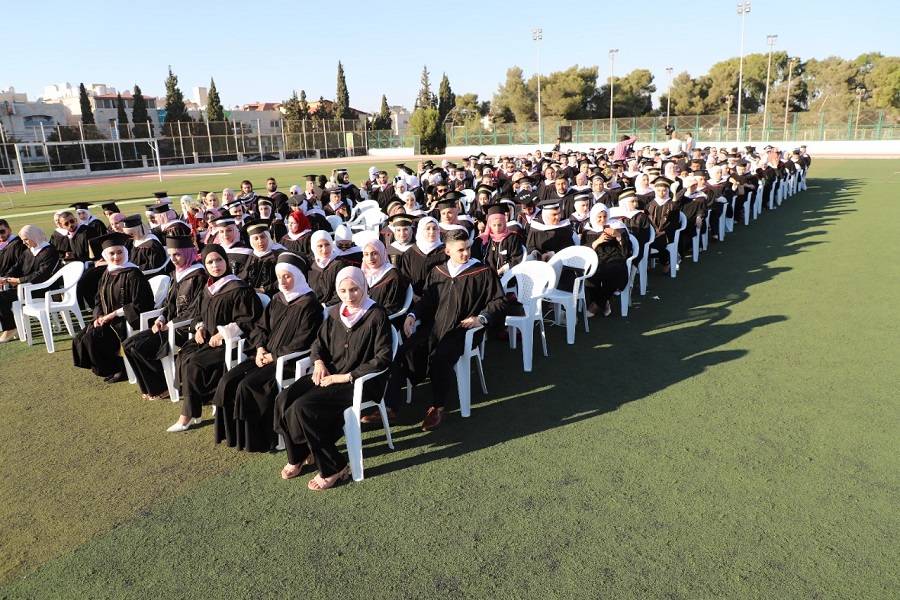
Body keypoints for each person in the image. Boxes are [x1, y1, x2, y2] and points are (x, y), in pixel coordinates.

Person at [274, 266, 392, 490]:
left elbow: (383, 358)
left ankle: (334, 467)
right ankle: (299, 454)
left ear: (364, 287)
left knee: (303, 407)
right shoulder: (336, 313)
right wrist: (318, 362)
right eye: (343, 290)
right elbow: (318, 344)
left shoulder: (376, 315)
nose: (349, 296)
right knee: (284, 399)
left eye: (354, 289)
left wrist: (345, 377)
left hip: (359, 382)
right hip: (330, 374)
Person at [386, 229, 510, 431]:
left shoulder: (482, 272)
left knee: (440, 358)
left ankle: (438, 407)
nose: (466, 253)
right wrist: (412, 315)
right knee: (403, 353)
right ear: (447, 251)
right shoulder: (438, 272)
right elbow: (427, 300)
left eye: (468, 248)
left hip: (462, 329)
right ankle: (391, 407)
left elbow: (499, 301)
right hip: (434, 327)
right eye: (461, 250)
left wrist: (481, 318)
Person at [213, 252, 324, 452]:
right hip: (264, 356)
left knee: (248, 385)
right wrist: (260, 348)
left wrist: (273, 356)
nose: (283, 281)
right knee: (228, 380)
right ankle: (235, 436)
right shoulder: (277, 299)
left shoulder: (310, 304)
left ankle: (259, 440)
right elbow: (260, 328)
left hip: (288, 362)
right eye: (279, 277)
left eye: (288, 276)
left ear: (299, 276)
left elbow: (304, 340)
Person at [167, 244, 263, 432]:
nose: (215, 265)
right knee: (185, 355)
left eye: (219, 260)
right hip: (208, 339)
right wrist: (200, 327)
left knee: (194, 363)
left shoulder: (239, 288)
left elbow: (250, 320)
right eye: (210, 262)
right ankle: (205, 399)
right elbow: (199, 313)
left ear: (226, 261)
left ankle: (187, 416)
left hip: (231, 342)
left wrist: (223, 333)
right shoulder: (208, 287)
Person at [121, 235, 206, 400]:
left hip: (185, 329)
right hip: (170, 326)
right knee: (128, 344)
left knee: (140, 347)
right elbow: (169, 303)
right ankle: (149, 388)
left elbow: (196, 310)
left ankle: (163, 386)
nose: (173, 259)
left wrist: (172, 323)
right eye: (171, 255)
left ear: (188, 253)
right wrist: (161, 319)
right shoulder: (177, 274)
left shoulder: (199, 276)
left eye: (178, 254)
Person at [72, 233, 154, 383]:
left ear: (125, 252)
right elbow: (98, 299)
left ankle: (120, 368)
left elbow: (141, 303)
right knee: (80, 338)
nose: (116, 257)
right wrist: (98, 316)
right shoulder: (107, 273)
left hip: (126, 320)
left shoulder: (133, 274)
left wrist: (113, 315)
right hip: (107, 318)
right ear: (105, 255)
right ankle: (114, 368)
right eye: (112, 253)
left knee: (93, 338)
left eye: (119, 252)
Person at [0, 225, 61, 343]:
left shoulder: (49, 251)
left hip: (42, 289)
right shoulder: (28, 251)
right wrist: (5, 278)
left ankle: (11, 328)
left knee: (2, 298)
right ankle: (10, 326)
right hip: (26, 287)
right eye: (23, 240)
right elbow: (16, 267)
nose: (24, 243)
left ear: (34, 236)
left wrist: (19, 280)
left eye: (26, 239)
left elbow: (42, 274)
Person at [581, 216, 630, 318]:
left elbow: (627, 249)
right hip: (596, 258)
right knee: (590, 273)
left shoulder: (615, 226)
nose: (602, 219)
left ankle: (596, 305)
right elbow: (583, 250)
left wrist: (618, 235)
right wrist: (597, 241)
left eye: (605, 216)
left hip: (614, 258)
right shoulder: (587, 230)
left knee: (615, 272)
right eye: (599, 217)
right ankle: (604, 302)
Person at [360, 238, 410, 317]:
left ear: (382, 253)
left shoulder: (393, 276)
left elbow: (392, 307)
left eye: (374, 253)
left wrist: (369, 317)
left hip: (382, 318)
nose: (370, 258)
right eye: (366, 254)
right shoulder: (363, 273)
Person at [397, 216, 445, 297]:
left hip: (440, 297)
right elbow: (405, 278)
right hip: (415, 298)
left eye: (434, 228)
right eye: (428, 229)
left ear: (439, 231)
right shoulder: (410, 253)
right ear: (421, 230)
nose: (432, 232)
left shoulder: (446, 252)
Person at [472, 204, 523, 276]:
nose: (497, 228)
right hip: (485, 276)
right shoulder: (481, 240)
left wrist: (503, 269)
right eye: (494, 225)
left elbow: (516, 258)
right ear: (489, 224)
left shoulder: (512, 238)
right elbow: (474, 259)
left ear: (504, 223)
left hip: (506, 275)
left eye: (499, 225)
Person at [239, 222, 285, 297]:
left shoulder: (279, 254)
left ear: (268, 237)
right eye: (256, 238)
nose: (260, 241)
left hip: (274, 296)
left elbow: (284, 278)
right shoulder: (252, 255)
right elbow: (244, 276)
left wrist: (263, 289)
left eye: (262, 237)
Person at [307, 230, 348, 306]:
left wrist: (326, 306)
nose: (324, 249)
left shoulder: (339, 264)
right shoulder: (310, 264)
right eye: (320, 246)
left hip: (333, 307)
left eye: (327, 244)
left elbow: (341, 292)